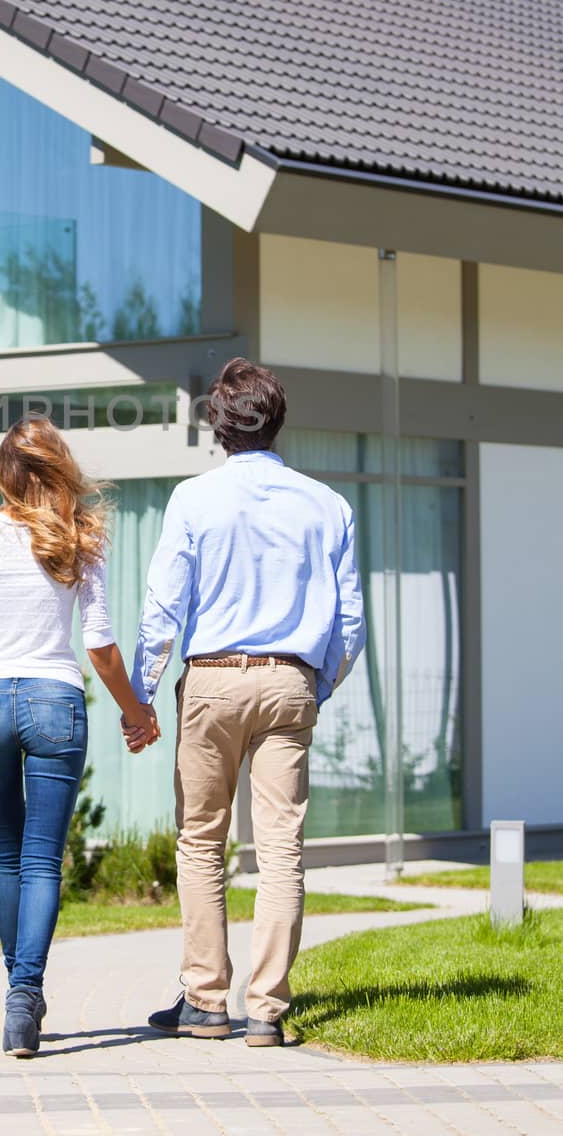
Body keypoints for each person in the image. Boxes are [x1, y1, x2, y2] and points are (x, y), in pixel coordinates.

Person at [131, 358, 366, 1048]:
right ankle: (265, 1010)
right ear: (278, 420)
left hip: (209, 679)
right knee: (280, 849)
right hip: (289, 680)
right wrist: (314, 684)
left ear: (216, 424)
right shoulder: (327, 505)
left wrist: (140, 698)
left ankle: (205, 1002)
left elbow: (161, 609)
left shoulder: (192, 499)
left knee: (201, 842)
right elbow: (348, 624)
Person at [0, 416, 159, 1058]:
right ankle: (23, 999)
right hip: (55, 702)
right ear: (57, 469)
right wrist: (137, 710)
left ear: (3, 476)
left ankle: (18, 998)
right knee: (41, 860)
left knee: (4, 855)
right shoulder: (80, 536)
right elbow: (99, 644)